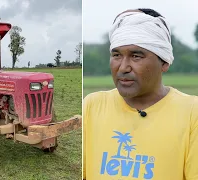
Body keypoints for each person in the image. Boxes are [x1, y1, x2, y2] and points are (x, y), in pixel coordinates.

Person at [83, 8, 198, 180]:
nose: (123, 67)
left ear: (164, 61)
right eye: (116, 55)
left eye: (136, 56)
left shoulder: (191, 113)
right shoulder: (92, 106)